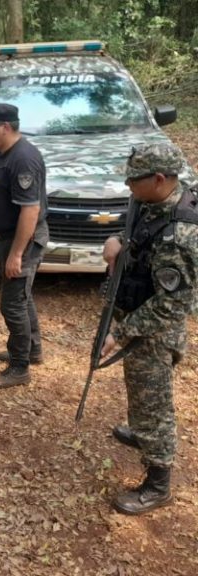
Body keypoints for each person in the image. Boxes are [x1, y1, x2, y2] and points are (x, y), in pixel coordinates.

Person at [100, 143, 198, 515]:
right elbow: (140, 241)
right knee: (141, 394)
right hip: (140, 319)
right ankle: (141, 432)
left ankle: (158, 484)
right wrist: (118, 244)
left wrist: (121, 334)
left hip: (154, 332)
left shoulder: (180, 236)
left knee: (153, 403)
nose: (128, 186)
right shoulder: (153, 202)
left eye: (134, 180)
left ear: (160, 179)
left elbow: (173, 305)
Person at [0, 104, 49, 389]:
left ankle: (19, 367)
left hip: (24, 241)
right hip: (7, 237)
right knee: (22, 297)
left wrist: (18, 253)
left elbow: (30, 210)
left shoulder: (22, 159)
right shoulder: (4, 155)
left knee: (12, 305)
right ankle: (31, 351)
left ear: (5, 127)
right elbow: (3, 201)